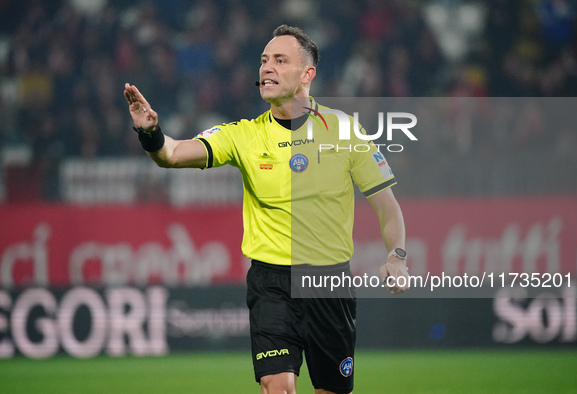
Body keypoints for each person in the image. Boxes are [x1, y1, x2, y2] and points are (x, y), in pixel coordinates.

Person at [124, 24, 409, 394]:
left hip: (329, 283)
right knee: (279, 387)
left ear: (307, 74)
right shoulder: (243, 134)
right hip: (271, 283)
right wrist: (151, 132)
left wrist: (397, 255)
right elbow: (172, 154)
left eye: (279, 60)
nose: (266, 68)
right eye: (263, 60)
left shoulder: (344, 130)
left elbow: (387, 205)